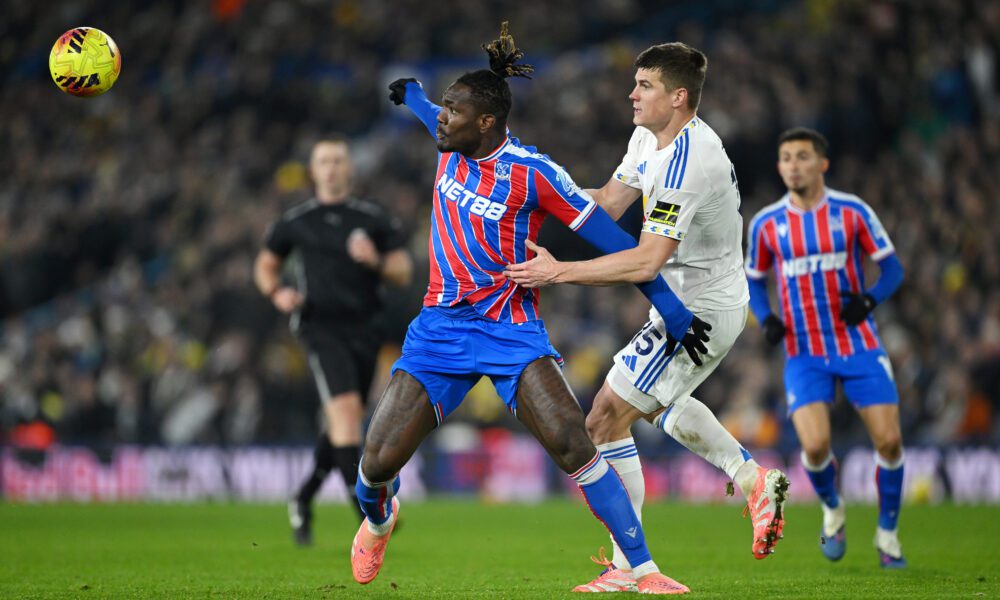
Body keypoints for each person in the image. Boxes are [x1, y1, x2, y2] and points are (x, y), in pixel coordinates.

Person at [351, 23, 704, 594]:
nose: (442, 119)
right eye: (443, 109)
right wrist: (413, 94)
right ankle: (378, 518)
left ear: (486, 122)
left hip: (509, 329)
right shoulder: (450, 140)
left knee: (572, 440)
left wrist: (671, 307)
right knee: (374, 466)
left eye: (453, 111)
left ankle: (643, 571)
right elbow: (429, 115)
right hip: (440, 328)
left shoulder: (535, 173)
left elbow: (612, 240)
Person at [505, 42, 790, 592]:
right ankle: (752, 480)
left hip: (699, 310)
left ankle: (628, 568)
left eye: (645, 86)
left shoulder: (691, 160)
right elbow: (609, 203)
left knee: (603, 419)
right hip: (683, 299)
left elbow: (645, 260)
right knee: (655, 405)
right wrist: (534, 190)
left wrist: (558, 272)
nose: (631, 94)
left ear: (678, 97)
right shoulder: (647, 137)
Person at [744, 127, 906, 567]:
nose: (793, 166)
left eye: (802, 157)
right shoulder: (766, 224)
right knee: (814, 447)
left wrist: (868, 300)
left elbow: (892, 269)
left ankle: (888, 535)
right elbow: (754, 281)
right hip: (804, 352)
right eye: (786, 158)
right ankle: (833, 510)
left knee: (890, 440)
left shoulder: (852, 212)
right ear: (779, 167)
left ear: (822, 163)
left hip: (858, 342)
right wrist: (767, 318)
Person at [253, 136, 413, 546]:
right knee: (344, 415)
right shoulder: (296, 221)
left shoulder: (372, 217)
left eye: (338, 160)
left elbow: (403, 270)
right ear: (313, 170)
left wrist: (375, 260)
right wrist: (277, 293)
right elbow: (265, 266)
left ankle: (303, 498)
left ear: (349, 168)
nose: (331, 168)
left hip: (366, 330)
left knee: (345, 422)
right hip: (320, 328)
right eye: (324, 161)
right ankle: (369, 515)